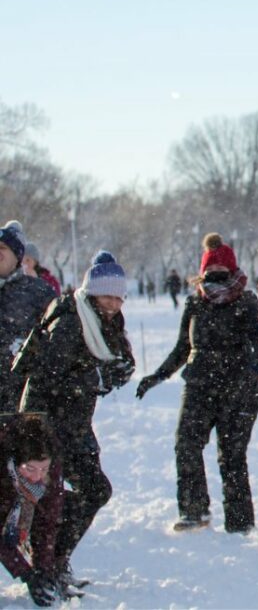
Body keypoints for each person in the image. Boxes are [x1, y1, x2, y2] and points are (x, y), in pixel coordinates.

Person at [136, 233, 258, 533]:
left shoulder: (247, 302)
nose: (214, 278)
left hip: (238, 389)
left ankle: (239, 522)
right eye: (210, 272)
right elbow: (182, 347)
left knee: (232, 454)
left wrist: (251, 372)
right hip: (199, 385)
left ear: (233, 271)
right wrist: (157, 375)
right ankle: (194, 511)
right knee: (186, 445)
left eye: (221, 271)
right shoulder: (195, 303)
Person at [20, 251, 135, 593]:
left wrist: (118, 372)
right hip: (49, 426)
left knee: (93, 491)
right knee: (84, 491)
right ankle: (47, 562)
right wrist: (95, 376)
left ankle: (53, 558)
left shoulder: (106, 321)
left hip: (76, 425)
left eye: (118, 296)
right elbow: (47, 379)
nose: (114, 303)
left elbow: (118, 362)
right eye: (107, 295)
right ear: (91, 293)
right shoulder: (71, 321)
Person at [0, 414, 65, 606]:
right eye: (30, 469)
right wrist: (26, 573)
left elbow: (47, 522)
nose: (37, 477)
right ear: (15, 461)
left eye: (43, 469)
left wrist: (43, 569)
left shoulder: (50, 471)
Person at [0, 222, 56, 414]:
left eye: (3, 248)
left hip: (23, 408)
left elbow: (59, 341)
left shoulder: (39, 292)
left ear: (17, 255)